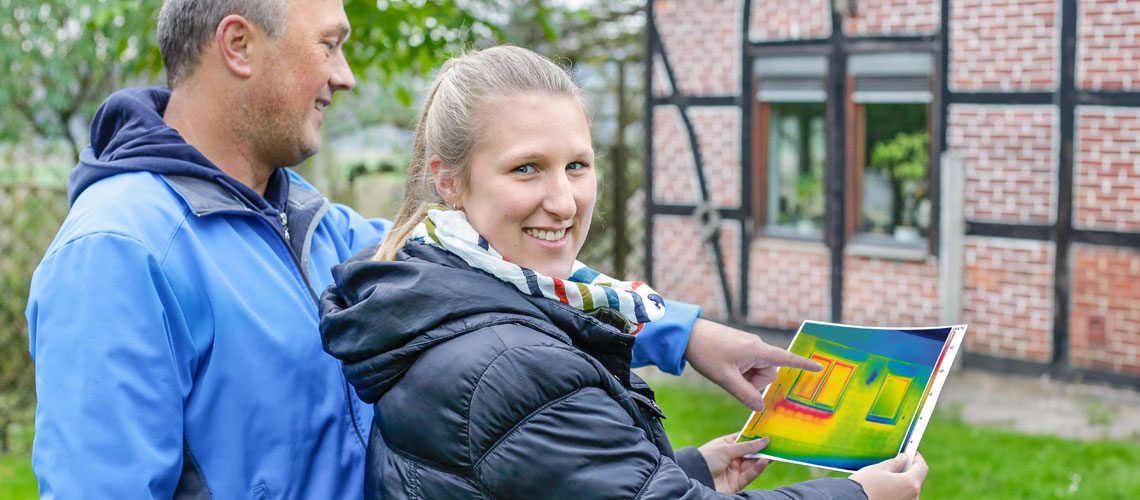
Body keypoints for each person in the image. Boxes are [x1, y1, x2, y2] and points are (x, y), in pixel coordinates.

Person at [26, 0, 823, 497]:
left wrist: (689, 336)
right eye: (330, 42)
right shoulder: (118, 252)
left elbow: (504, 268)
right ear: (239, 45)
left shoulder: (312, 225)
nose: (344, 74)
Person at [319, 45, 929, 499]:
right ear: (450, 181)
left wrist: (687, 472)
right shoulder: (513, 364)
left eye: (577, 166)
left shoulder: (446, 292)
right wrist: (860, 494)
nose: (563, 201)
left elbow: (537, 474)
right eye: (526, 168)